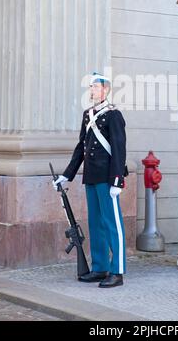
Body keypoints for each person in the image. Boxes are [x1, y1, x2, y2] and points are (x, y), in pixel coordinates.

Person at [53, 72, 127, 288]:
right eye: (91, 87)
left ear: (105, 90)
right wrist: (67, 174)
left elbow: (119, 149)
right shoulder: (88, 114)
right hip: (91, 176)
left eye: (95, 87)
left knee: (113, 224)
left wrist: (117, 181)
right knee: (96, 223)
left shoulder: (113, 115)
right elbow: (80, 148)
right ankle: (100, 267)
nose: (92, 90)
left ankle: (117, 271)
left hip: (107, 177)